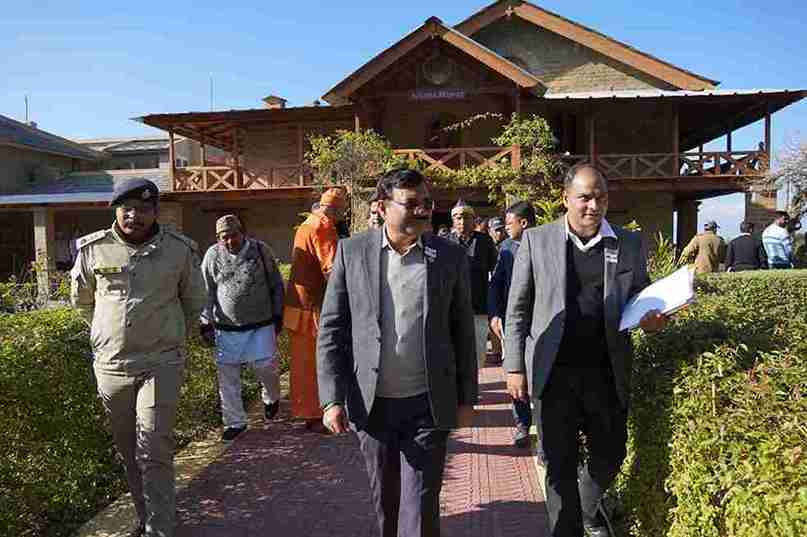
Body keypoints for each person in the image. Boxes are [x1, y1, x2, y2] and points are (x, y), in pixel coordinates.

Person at [505, 164, 667, 537]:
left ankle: (585, 506)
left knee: (611, 453)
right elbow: (518, 308)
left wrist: (651, 320)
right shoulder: (537, 241)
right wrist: (514, 367)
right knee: (558, 464)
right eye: (584, 197)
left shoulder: (627, 243)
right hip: (553, 373)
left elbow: (639, 298)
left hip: (606, 370)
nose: (593, 206)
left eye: (601, 198)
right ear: (566, 199)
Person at [317, 168, 478, 537]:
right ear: (381, 206)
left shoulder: (449, 256)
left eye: (427, 203)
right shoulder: (352, 252)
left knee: (421, 506)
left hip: (427, 403)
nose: (423, 210)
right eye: (412, 203)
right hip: (372, 405)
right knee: (386, 503)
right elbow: (332, 329)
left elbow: (462, 333)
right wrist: (331, 399)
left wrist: (467, 398)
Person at [71, 178, 206, 537]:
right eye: (127, 209)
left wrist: (168, 334)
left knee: (154, 446)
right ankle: (146, 516)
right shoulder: (93, 249)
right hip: (112, 365)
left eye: (144, 209)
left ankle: (161, 528)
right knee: (128, 451)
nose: (135, 216)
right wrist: (108, 335)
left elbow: (193, 301)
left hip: (160, 362)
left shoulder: (178, 250)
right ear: (116, 210)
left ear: (155, 212)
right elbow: (83, 302)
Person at [200, 215, 285, 442]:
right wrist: (205, 322)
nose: (229, 241)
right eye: (224, 237)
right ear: (218, 238)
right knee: (227, 377)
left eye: (233, 235)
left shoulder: (260, 250)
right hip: (226, 327)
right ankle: (234, 422)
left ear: (242, 232)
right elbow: (206, 291)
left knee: (266, 367)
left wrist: (278, 314)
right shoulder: (212, 255)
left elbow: (276, 284)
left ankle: (271, 397)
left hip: (261, 324)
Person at [284, 187, 347, 432]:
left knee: (302, 364)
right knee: (316, 362)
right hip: (312, 308)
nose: (343, 215)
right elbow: (331, 268)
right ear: (336, 209)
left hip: (297, 305)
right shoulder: (323, 226)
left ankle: (306, 411)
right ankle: (316, 414)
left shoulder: (307, 224)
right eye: (342, 210)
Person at [488, 201, 536, 448]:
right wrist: (495, 314)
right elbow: (496, 283)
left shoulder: (544, 244)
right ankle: (522, 424)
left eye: (509, 223)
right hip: (513, 320)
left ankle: (544, 424)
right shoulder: (505, 248)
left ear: (523, 223)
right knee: (515, 369)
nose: (505, 228)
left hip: (540, 320)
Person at [447, 199, 498, 369]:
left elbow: (495, 271)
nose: (462, 221)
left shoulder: (485, 241)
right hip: (451, 308)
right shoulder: (445, 242)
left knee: (477, 356)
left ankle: (473, 384)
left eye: (466, 217)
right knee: (454, 356)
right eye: (458, 218)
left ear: (473, 219)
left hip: (478, 307)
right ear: (453, 220)